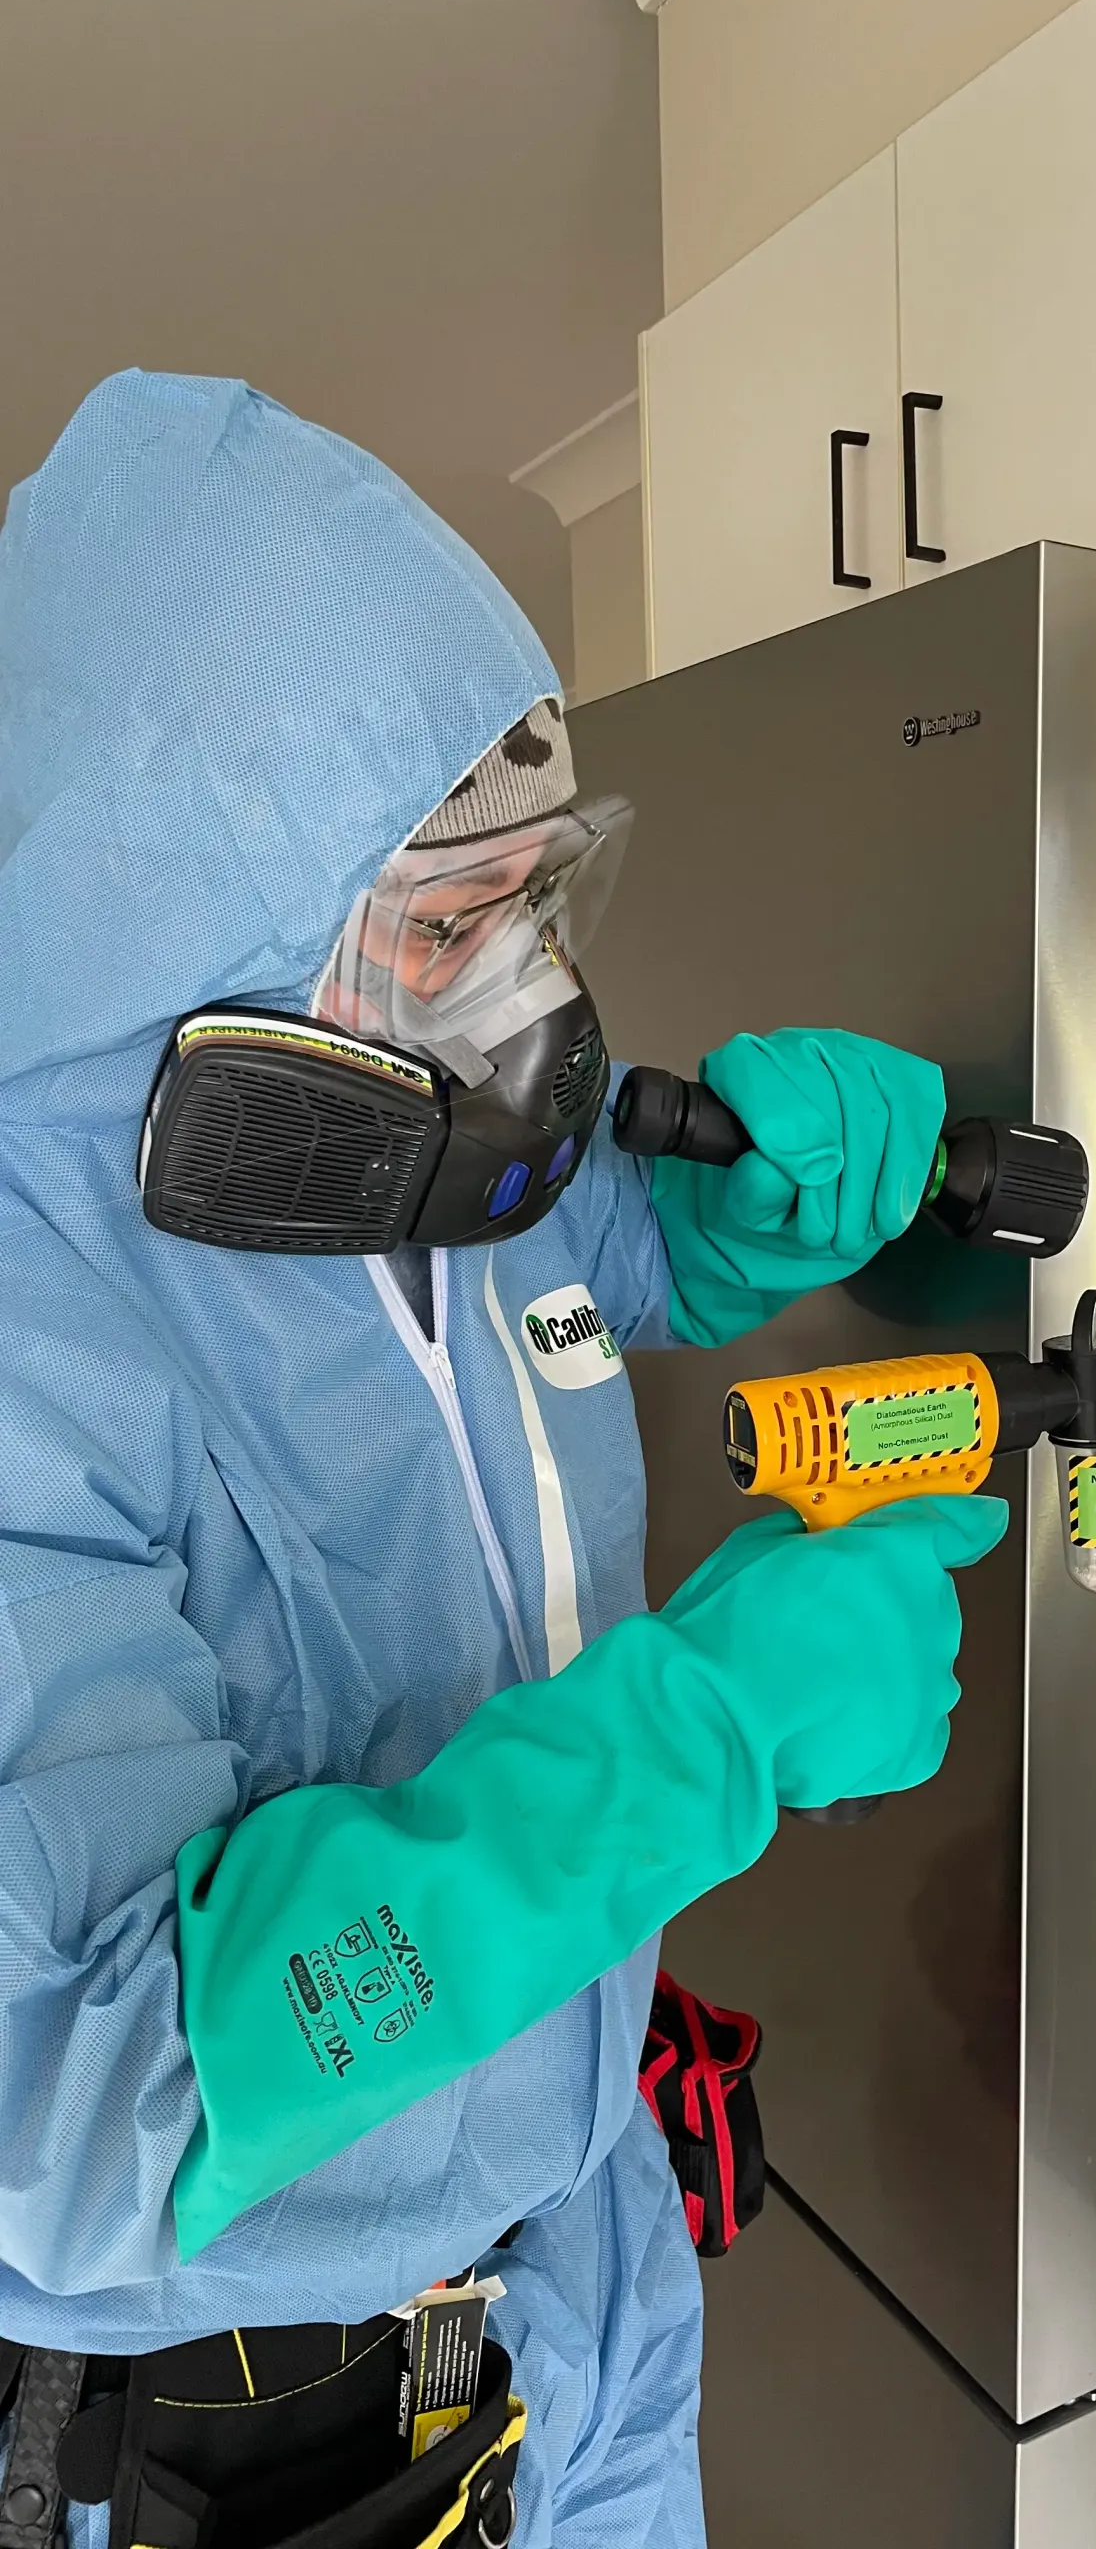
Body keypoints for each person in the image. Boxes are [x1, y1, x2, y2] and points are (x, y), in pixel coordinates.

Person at [0, 370, 1005, 2547]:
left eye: (541, 895)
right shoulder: (31, 1340)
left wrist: (718, 1232)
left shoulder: (371, 1116)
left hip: (580, 2279)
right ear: (206, 938)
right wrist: (697, 1731)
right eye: (457, 923)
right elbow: (101, 2089)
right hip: (257, 2437)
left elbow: (509, 1303)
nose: (528, 1000)